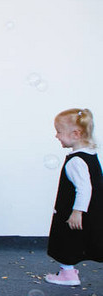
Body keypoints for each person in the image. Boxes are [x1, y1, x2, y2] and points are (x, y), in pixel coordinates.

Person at [45, 108, 102, 286]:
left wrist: (77, 212)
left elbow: (84, 189)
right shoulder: (91, 155)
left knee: (65, 239)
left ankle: (68, 274)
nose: (56, 136)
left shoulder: (76, 161)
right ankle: (69, 273)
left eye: (59, 132)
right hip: (94, 211)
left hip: (74, 212)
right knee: (92, 239)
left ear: (76, 134)